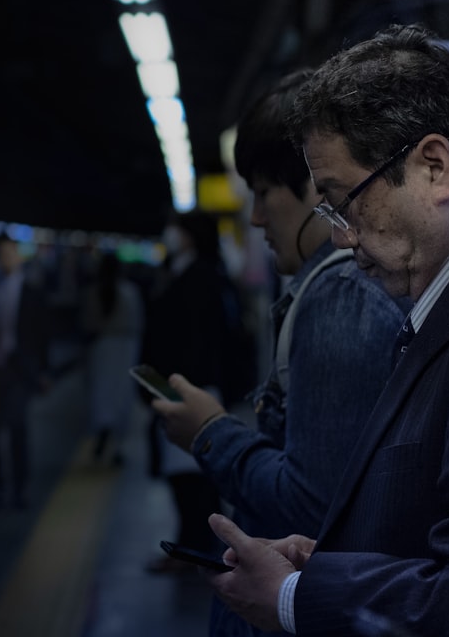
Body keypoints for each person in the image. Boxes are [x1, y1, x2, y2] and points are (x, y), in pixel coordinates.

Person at [200, 22, 449, 636]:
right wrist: (330, 564)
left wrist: (298, 597)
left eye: (346, 200)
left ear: (434, 168)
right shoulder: (432, 316)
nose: (342, 237)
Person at [149, 70, 408, 636]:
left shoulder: (341, 297)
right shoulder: (342, 289)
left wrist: (208, 432)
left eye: (264, 193)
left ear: (317, 187)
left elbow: (311, 506)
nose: (257, 218)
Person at [140, 209, 239, 573]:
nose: (168, 234)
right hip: (181, 386)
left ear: (189, 235)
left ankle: (195, 550)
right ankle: (194, 547)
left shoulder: (198, 277)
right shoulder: (193, 273)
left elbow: (196, 340)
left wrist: (180, 388)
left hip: (189, 387)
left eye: (174, 228)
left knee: (191, 474)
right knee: (190, 473)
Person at [0, 231, 51, 509]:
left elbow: (41, 336)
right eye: (1, 254)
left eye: (10, 253)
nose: (6, 259)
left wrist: (43, 371)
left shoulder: (32, 293)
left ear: (18, 256)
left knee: (17, 428)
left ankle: (18, 488)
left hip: (19, 371)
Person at [81, 250, 144, 465]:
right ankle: (117, 446)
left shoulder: (93, 292)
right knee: (121, 398)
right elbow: (139, 324)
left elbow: (88, 324)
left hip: (101, 347)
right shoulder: (130, 293)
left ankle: (101, 437)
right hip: (126, 348)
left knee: (101, 396)